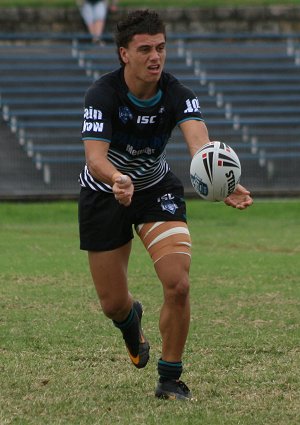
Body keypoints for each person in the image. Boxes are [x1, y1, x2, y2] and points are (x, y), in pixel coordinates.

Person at [78, 9, 253, 401]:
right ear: (124, 54)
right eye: (145, 49)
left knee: (178, 283)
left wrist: (218, 178)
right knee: (112, 304)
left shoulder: (178, 94)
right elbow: (95, 159)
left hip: (156, 190)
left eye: (160, 48)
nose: (155, 57)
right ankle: (130, 321)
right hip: (104, 193)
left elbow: (198, 144)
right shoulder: (102, 94)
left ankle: (170, 378)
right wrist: (116, 179)